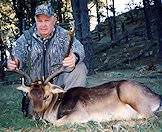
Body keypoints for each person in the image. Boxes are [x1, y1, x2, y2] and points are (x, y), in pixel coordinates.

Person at [7, 3, 88, 90]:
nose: (43, 25)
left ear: (54, 20)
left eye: (47, 20)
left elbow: (79, 48)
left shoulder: (64, 35)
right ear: (35, 20)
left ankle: (70, 101)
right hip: (35, 87)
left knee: (79, 68)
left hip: (56, 85)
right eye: (40, 21)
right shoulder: (26, 38)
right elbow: (17, 54)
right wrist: (14, 62)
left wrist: (74, 57)